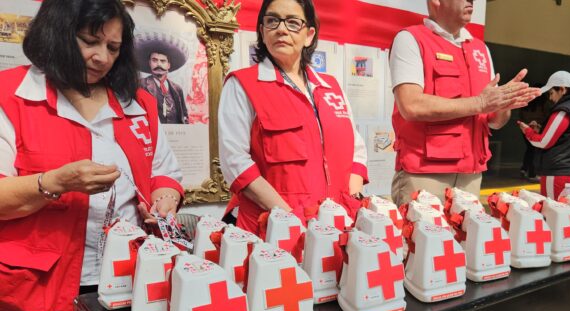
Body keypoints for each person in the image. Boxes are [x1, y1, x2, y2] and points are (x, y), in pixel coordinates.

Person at [0, 1, 183, 311]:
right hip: (45, 285)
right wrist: (54, 183)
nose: (102, 56)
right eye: (89, 41)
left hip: (126, 278)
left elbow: (164, 172)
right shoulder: (13, 96)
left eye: (114, 47)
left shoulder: (137, 101)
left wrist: (165, 198)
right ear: (56, 32)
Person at [218, 0, 367, 234]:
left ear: (309, 35)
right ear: (262, 31)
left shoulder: (331, 87)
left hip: (336, 226)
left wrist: (349, 204)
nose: (281, 29)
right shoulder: (242, 85)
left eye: (293, 22)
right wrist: (290, 219)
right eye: (272, 20)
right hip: (273, 228)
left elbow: (356, 151)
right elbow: (235, 163)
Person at [388, 0, 540, 206]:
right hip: (424, 176)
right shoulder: (410, 39)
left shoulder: (480, 49)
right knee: (423, 237)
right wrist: (480, 102)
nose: (471, 1)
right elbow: (411, 105)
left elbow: (493, 121)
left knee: (464, 238)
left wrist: (504, 104)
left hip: (471, 177)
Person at [517, 71, 570, 200]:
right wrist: (540, 129)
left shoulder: (564, 110)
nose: (551, 98)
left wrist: (528, 132)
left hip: (557, 172)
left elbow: (543, 142)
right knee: (566, 210)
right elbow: (569, 134)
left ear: (562, 89)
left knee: (552, 212)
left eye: (551, 93)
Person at [136, 32, 190, 124]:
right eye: (154, 60)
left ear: (168, 65)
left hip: (175, 135)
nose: (159, 64)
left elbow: (184, 115)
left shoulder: (177, 89)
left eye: (163, 61)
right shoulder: (141, 84)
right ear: (149, 63)